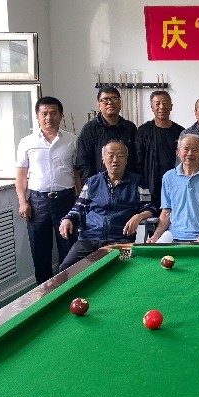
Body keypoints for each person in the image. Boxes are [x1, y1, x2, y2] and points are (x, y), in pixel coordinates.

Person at [58, 141, 155, 271]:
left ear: (126, 160)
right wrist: (67, 219)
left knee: (125, 270)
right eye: (111, 155)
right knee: (67, 269)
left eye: (120, 156)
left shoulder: (138, 182)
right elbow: (78, 208)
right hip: (89, 239)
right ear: (103, 159)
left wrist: (139, 216)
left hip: (121, 240)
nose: (115, 160)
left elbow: (149, 208)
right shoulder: (92, 182)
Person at [15, 96, 79, 284]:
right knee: (40, 251)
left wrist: (79, 198)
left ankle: (67, 288)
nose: (49, 117)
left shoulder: (72, 140)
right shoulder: (27, 142)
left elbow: (76, 172)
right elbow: (21, 175)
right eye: (44, 114)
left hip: (66, 200)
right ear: (37, 116)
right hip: (37, 203)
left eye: (53, 113)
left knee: (68, 249)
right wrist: (22, 201)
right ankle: (44, 293)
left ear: (61, 115)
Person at [147, 134, 199, 243]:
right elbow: (166, 212)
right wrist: (155, 236)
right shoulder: (168, 177)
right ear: (178, 152)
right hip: (174, 237)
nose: (190, 153)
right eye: (186, 149)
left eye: (195, 150)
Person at [76, 86, 137, 182]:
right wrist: (92, 183)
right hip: (100, 185)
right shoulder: (90, 129)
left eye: (114, 99)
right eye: (105, 100)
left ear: (120, 103)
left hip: (128, 184)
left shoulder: (130, 128)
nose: (110, 102)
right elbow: (83, 160)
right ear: (99, 104)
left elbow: (136, 158)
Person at [135, 90, 184, 208]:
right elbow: (138, 161)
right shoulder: (143, 131)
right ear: (152, 107)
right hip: (149, 184)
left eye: (165, 103)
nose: (161, 107)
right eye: (157, 104)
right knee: (149, 214)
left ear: (171, 106)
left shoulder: (181, 132)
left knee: (173, 213)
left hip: (175, 185)